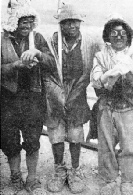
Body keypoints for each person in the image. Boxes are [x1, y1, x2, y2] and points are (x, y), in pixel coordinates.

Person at [1, 0, 55, 194]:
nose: (27, 25)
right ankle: (15, 177)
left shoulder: (38, 38)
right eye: (22, 20)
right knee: (10, 140)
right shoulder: (2, 39)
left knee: (33, 139)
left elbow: (52, 64)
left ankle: (32, 178)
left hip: (33, 97)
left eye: (30, 20)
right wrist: (15, 66)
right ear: (14, 20)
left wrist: (38, 54)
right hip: (7, 98)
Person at [45, 4, 100, 194]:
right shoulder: (52, 42)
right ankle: (59, 170)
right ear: (60, 25)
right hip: (55, 96)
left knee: (76, 135)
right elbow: (46, 73)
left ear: (80, 23)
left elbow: (90, 72)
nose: (71, 26)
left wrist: (74, 93)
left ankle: (75, 171)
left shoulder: (88, 43)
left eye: (75, 22)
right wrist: (57, 95)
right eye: (66, 22)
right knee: (56, 135)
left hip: (77, 95)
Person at [90, 14, 133, 195]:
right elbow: (96, 80)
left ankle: (128, 181)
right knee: (106, 146)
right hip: (106, 106)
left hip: (128, 105)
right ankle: (109, 179)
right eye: (113, 32)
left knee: (131, 147)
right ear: (107, 36)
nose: (118, 36)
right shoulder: (100, 55)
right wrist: (109, 75)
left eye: (122, 32)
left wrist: (129, 71)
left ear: (129, 36)